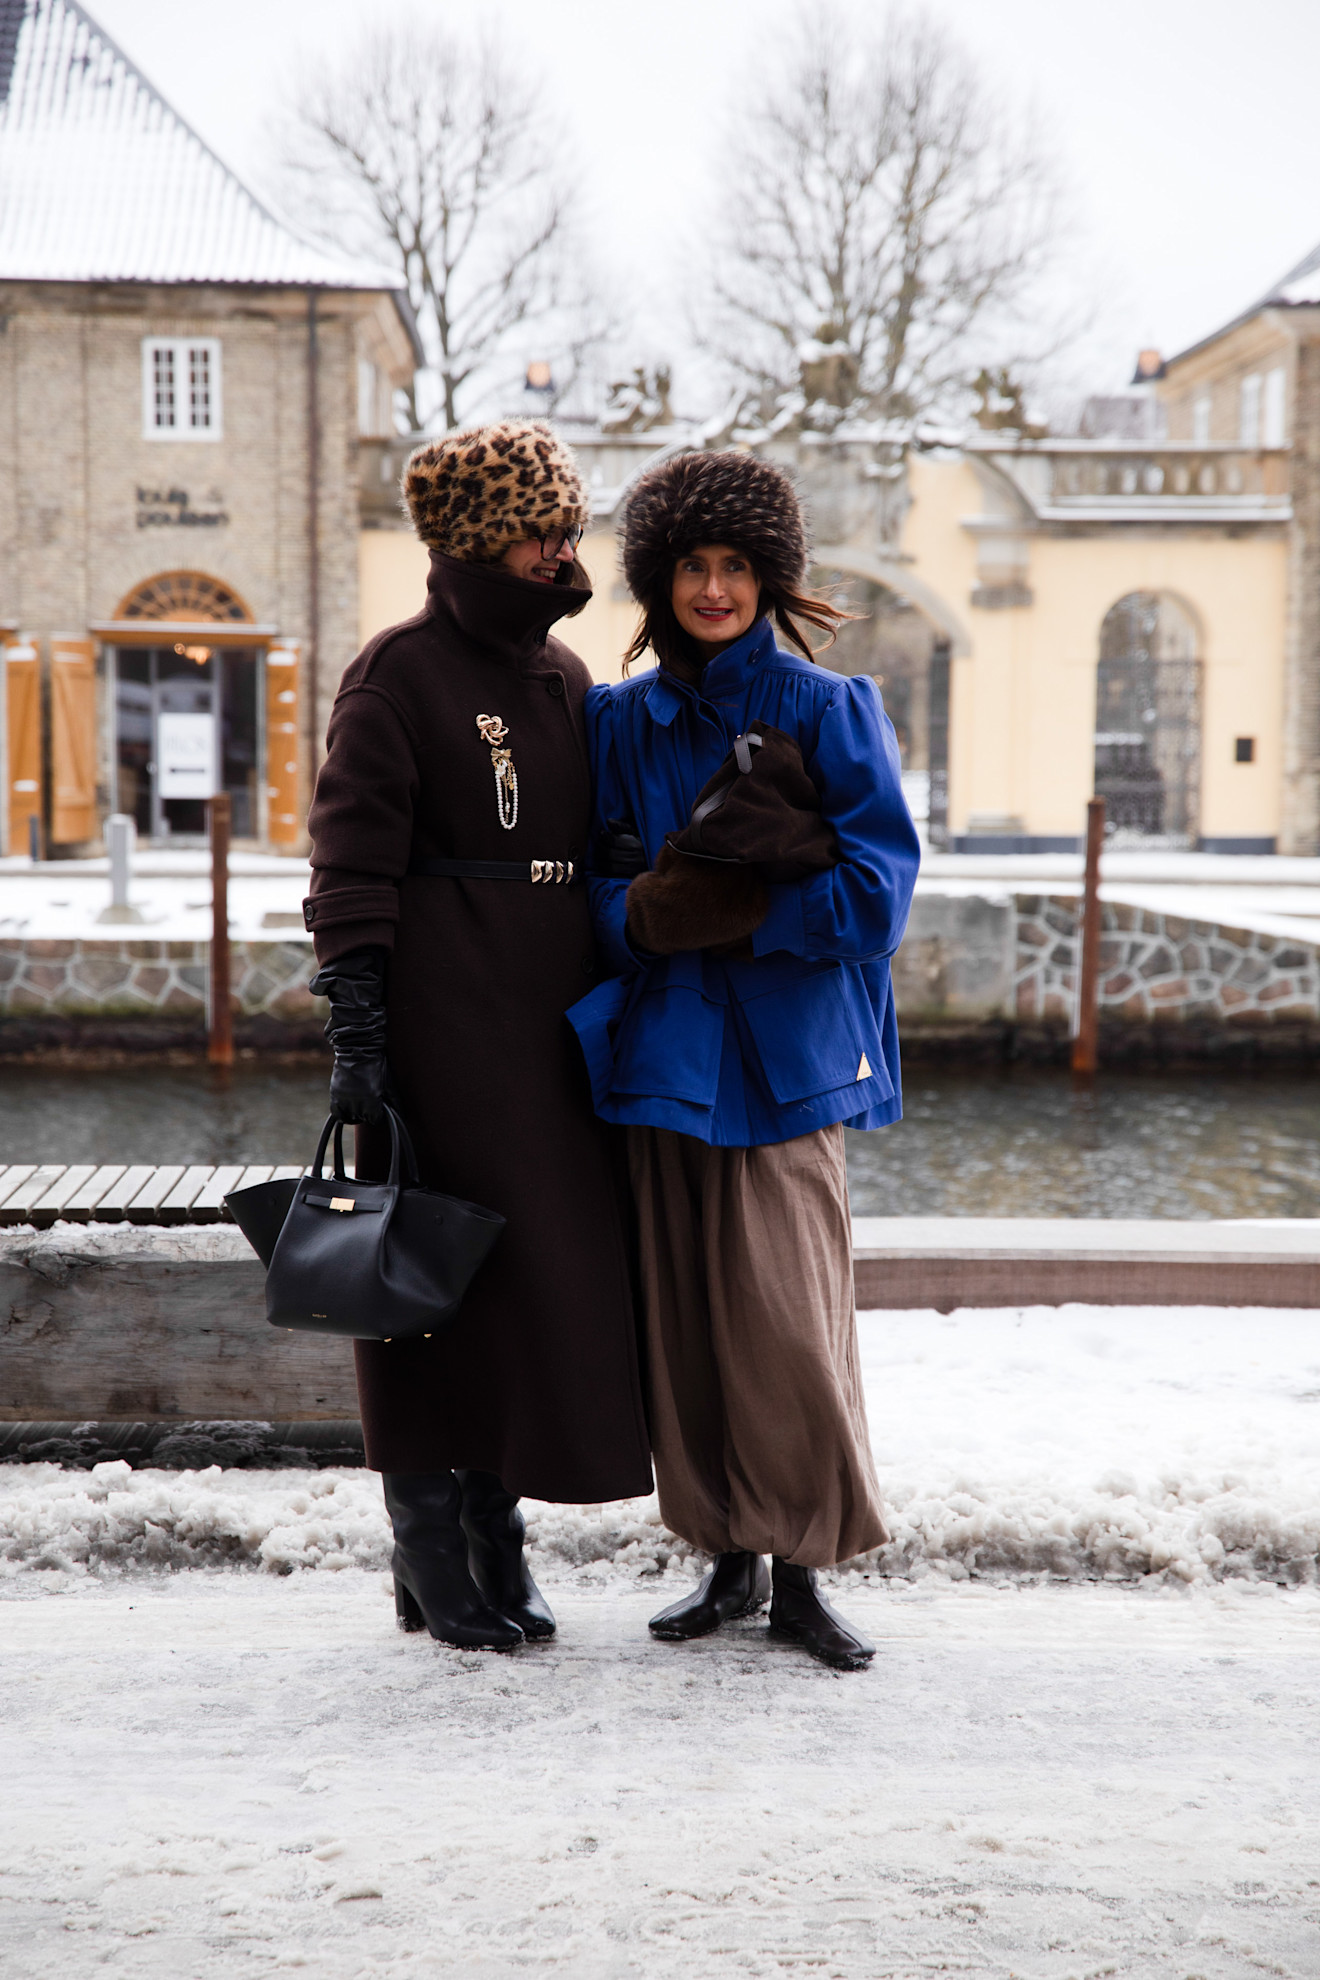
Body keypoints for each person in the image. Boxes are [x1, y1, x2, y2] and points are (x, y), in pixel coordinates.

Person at [568, 450, 920, 1671]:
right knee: (689, 1332)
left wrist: (753, 917)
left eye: (735, 566)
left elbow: (879, 898)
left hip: (788, 1067)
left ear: (771, 576)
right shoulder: (614, 723)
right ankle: (725, 1559)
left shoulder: (832, 712)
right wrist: (644, 919)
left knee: (786, 1329)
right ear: (657, 583)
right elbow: (594, 899)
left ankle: (804, 1574)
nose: (713, 589)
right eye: (690, 568)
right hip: (662, 1060)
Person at [304, 419, 652, 1651]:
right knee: (427, 1283)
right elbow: (350, 865)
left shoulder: (568, 679)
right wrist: (359, 1033)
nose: (560, 549)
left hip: (554, 1033)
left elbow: (603, 831)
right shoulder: (395, 676)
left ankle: (497, 1528)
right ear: (470, 539)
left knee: (529, 1288)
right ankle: (426, 1540)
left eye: (564, 525)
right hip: (444, 1028)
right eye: (534, 529)